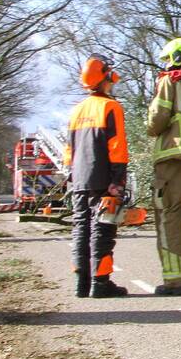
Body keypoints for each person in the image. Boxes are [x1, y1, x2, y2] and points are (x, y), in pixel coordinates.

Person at [64, 55, 130, 298]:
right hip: (103, 178)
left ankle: (81, 283)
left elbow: (68, 151)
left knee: (80, 228)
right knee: (103, 229)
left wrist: (72, 177)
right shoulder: (111, 107)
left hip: (79, 178)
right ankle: (100, 282)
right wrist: (118, 181)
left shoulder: (76, 111)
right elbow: (117, 147)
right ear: (104, 78)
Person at [147, 37, 181, 296]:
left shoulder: (170, 81)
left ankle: (176, 279)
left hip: (172, 157)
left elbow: (157, 120)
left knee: (169, 214)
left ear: (177, 57)